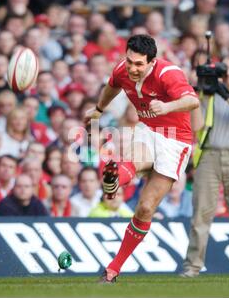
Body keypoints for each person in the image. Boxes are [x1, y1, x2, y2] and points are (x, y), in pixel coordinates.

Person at [84, 34, 200, 283]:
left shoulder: (169, 73)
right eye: (130, 61)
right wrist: (99, 109)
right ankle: (115, 179)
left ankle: (114, 267)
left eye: (139, 64)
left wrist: (167, 107)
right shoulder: (121, 70)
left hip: (176, 139)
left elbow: (192, 100)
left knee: (146, 208)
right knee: (137, 160)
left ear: (151, 62)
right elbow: (112, 85)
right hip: (148, 128)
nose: (133, 68)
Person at [182, 54, 229, 278]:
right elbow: (197, 126)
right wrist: (200, 95)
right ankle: (192, 266)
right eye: (225, 68)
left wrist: (225, 95)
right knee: (201, 214)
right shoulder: (207, 95)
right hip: (208, 157)